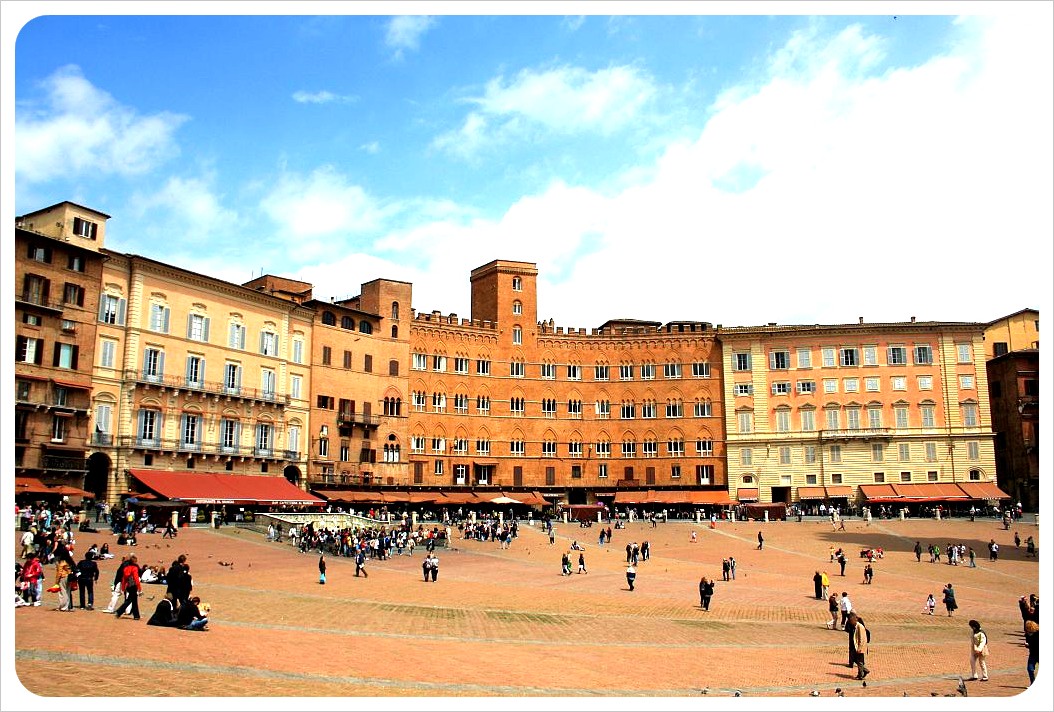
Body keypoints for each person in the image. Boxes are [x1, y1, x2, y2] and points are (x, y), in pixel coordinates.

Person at [114, 554, 142, 620]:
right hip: (134, 586)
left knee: (133, 600)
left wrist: (123, 587)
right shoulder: (134, 568)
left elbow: (124, 579)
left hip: (128, 586)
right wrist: (139, 588)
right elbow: (136, 578)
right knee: (130, 600)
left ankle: (136, 615)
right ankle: (119, 611)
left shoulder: (126, 568)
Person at [852, 614, 871, 679]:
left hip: (860, 647)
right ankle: (863, 671)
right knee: (857, 660)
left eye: (851, 620)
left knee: (859, 661)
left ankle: (861, 674)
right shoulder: (856, 626)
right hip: (858, 647)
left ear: (855, 619)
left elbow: (861, 638)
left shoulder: (859, 626)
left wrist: (859, 647)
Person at [1024, 620, 1039, 685]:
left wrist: (1029, 645)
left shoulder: (1038, 634)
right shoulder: (1027, 635)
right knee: (1030, 669)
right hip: (1032, 654)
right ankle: (1032, 683)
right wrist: (1027, 645)